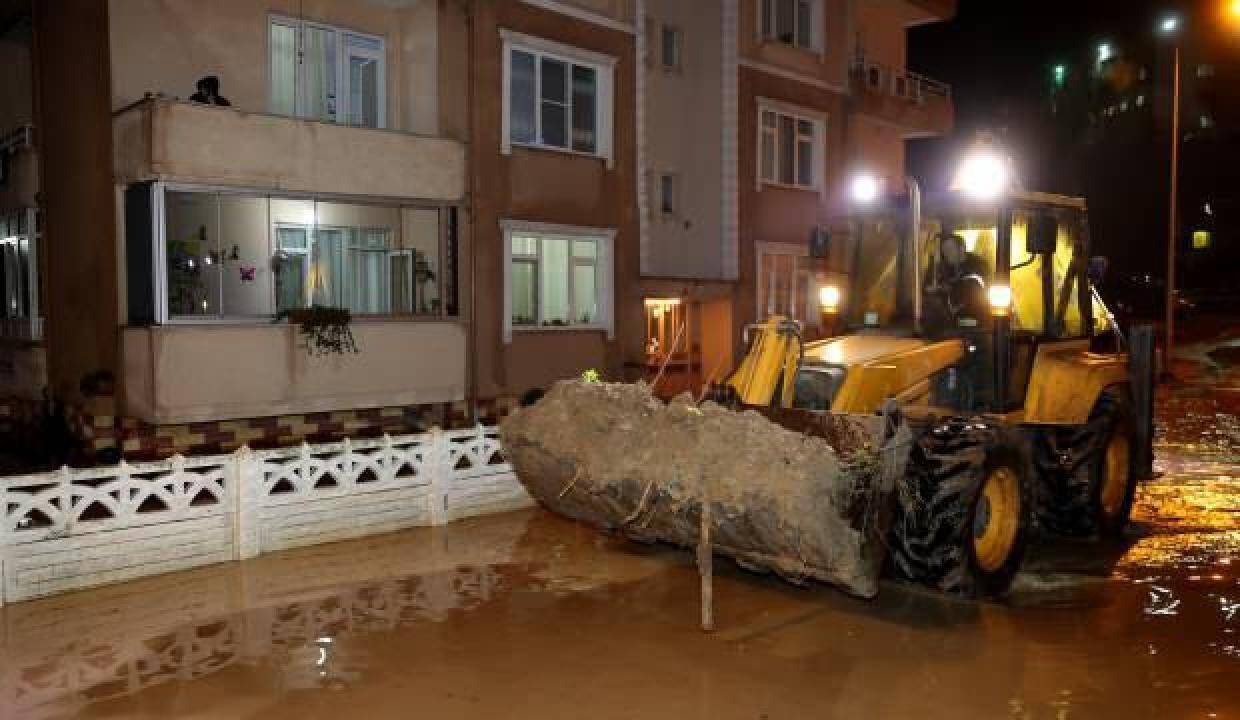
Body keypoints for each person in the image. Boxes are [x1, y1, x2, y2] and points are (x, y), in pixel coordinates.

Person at [926, 233, 989, 321]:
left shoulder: (978, 265)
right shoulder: (945, 267)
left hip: (974, 317)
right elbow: (930, 286)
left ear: (962, 249)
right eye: (944, 251)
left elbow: (974, 287)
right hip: (951, 318)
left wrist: (948, 287)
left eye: (950, 249)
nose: (947, 254)